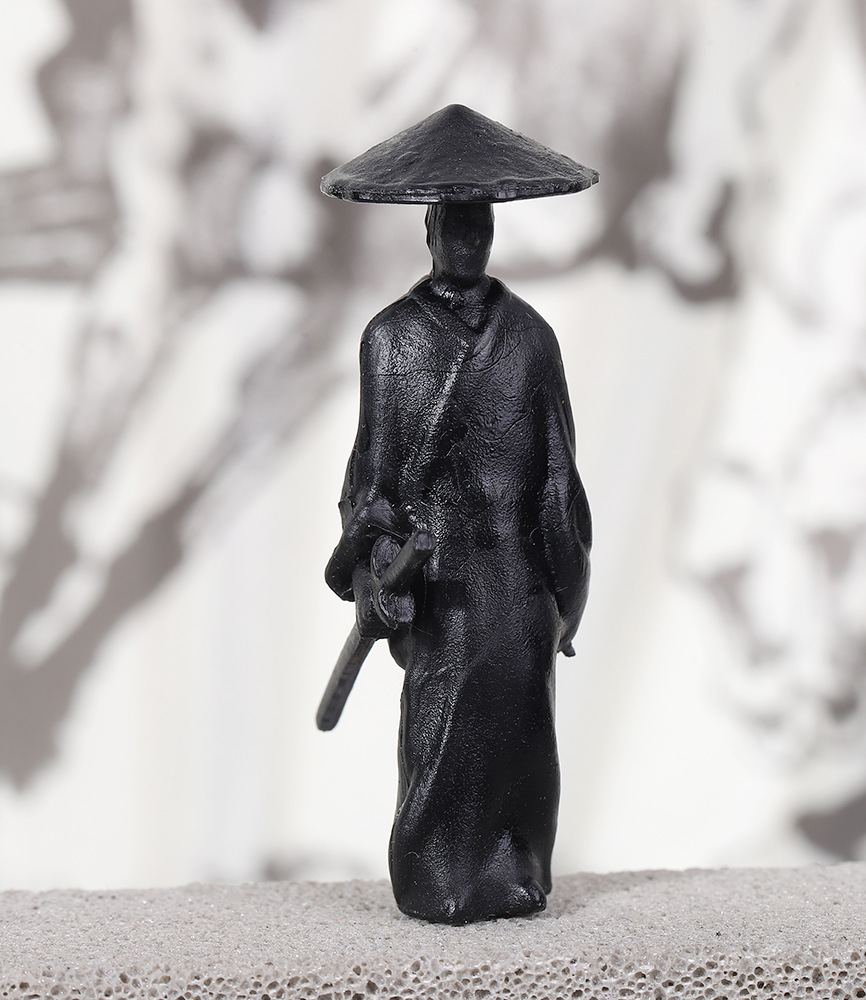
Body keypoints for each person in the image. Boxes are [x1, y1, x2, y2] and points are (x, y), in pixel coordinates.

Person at [321, 106, 596, 923]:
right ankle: (435, 877)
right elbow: (369, 477)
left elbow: (558, 477)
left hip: (517, 580)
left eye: (481, 226)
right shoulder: (390, 341)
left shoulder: (531, 339)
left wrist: (568, 591)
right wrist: (375, 570)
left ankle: (516, 870)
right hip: (438, 580)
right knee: (441, 736)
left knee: (522, 730)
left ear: (493, 231)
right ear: (431, 229)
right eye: (456, 226)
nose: (469, 240)